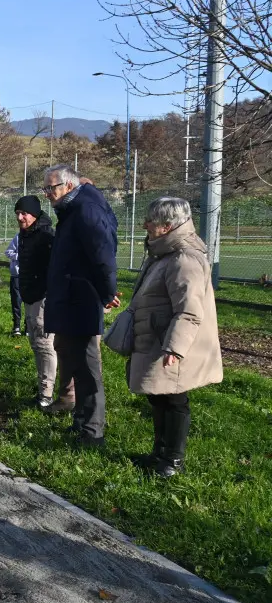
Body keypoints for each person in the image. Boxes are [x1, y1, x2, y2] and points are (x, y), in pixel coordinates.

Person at [126, 197, 222, 477]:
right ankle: (159, 453)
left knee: (175, 399)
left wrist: (175, 348)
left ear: (167, 226)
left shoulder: (184, 259)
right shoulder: (164, 253)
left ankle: (172, 461)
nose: (145, 225)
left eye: (150, 221)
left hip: (172, 344)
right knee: (158, 396)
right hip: (156, 338)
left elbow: (189, 311)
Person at [43, 165, 119, 448]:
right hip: (70, 297)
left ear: (69, 186)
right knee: (75, 361)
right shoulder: (73, 209)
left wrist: (107, 293)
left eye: (51, 188)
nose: (47, 193)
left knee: (87, 366)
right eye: (45, 188)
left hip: (81, 299)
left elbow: (103, 255)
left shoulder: (86, 211)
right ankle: (81, 419)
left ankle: (93, 431)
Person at [13, 194, 70, 410]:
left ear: (35, 215)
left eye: (24, 213)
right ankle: (42, 390)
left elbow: (54, 268)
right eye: (17, 213)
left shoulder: (46, 236)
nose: (20, 218)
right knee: (36, 344)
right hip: (29, 295)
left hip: (43, 297)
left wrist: (45, 292)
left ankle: (46, 394)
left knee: (45, 345)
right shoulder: (26, 234)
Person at [4, 227, 24, 337]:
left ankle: (28, 327)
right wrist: (19, 255)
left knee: (30, 303)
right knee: (16, 301)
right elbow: (8, 252)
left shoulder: (37, 238)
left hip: (31, 276)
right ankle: (17, 326)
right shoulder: (18, 237)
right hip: (16, 275)